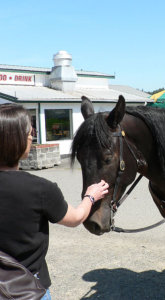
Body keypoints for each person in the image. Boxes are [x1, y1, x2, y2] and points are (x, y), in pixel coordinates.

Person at [0, 103, 109, 299]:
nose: (31, 136)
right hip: (27, 287)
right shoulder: (41, 189)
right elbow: (76, 218)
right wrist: (90, 196)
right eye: (28, 132)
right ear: (14, 140)